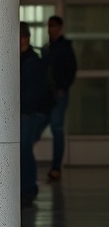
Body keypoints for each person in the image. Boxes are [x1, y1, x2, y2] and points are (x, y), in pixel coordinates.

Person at [41, 15, 77, 181]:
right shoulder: (47, 48)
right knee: (39, 126)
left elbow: (71, 69)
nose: (50, 29)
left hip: (58, 94)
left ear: (60, 27)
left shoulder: (64, 47)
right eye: (49, 26)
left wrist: (63, 88)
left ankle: (56, 167)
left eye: (54, 26)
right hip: (46, 96)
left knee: (57, 127)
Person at [21, 21, 52, 207]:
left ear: (25, 39)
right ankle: (27, 188)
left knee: (24, 150)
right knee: (24, 150)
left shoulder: (32, 61)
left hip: (30, 113)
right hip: (28, 112)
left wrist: (26, 110)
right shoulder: (24, 59)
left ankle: (28, 189)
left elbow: (33, 92)